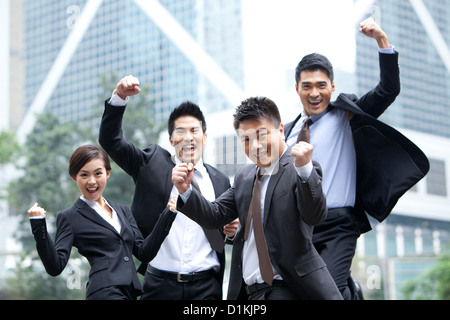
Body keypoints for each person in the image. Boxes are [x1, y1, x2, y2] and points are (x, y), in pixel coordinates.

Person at [284, 18, 430, 299]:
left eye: (321, 85)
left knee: (327, 294)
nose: (315, 93)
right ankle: (354, 292)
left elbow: (387, 91)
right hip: (301, 228)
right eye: (307, 86)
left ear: (332, 86)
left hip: (340, 223)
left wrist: (382, 41)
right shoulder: (289, 133)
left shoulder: (345, 114)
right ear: (297, 89)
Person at [172, 96, 343, 300]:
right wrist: (186, 191)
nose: (255, 146)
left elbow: (315, 216)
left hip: (288, 288)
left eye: (261, 135)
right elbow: (214, 215)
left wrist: (305, 169)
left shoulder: (300, 168)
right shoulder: (244, 177)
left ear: (280, 131)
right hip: (248, 293)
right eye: (246, 139)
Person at [99, 75, 237, 300]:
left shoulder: (221, 181)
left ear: (205, 136)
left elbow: (225, 233)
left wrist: (232, 232)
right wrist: (120, 97)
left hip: (207, 288)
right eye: (181, 131)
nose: (189, 137)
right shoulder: (150, 163)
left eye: (195, 130)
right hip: (159, 286)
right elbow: (111, 140)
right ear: (171, 139)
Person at [27, 144, 177, 300]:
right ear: (74, 177)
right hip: (103, 292)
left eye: (98, 173)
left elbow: (143, 253)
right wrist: (38, 225)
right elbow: (55, 266)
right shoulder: (69, 217)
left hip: (130, 292)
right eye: (84, 175)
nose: (92, 181)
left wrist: (168, 214)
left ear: (108, 173)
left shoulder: (123, 211)